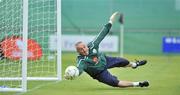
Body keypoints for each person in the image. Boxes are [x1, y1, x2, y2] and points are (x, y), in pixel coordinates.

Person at [67, 12, 149, 88]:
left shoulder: (92, 45)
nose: (84, 50)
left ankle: (135, 64)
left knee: (124, 61)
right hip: (99, 73)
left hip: (105, 60)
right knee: (116, 83)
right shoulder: (82, 60)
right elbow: (80, 69)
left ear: (86, 45)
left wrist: (110, 21)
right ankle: (139, 84)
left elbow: (102, 34)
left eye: (84, 47)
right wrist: (75, 73)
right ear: (78, 52)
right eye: (81, 50)